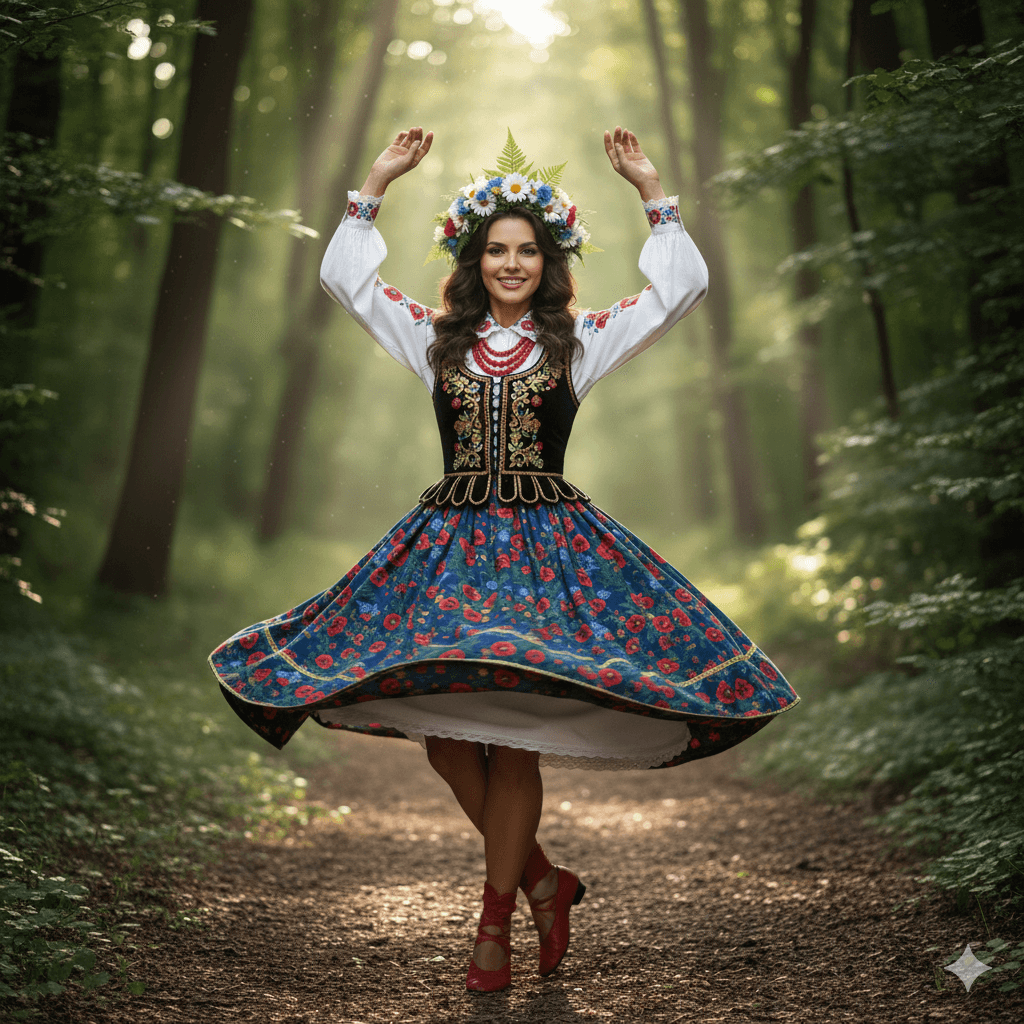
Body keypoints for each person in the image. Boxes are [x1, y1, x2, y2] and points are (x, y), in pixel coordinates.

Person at [208, 126, 799, 994]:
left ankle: (494, 926)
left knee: (510, 735)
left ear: (549, 260)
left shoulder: (578, 342)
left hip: (543, 563)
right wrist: (375, 181)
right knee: (449, 740)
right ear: (474, 258)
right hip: (445, 560)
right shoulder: (435, 338)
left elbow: (680, 290)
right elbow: (345, 280)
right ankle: (542, 882)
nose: (512, 264)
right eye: (497, 250)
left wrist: (652, 191)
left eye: (527, 251)